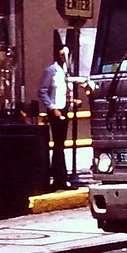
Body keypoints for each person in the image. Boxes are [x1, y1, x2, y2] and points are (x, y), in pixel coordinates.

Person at [38, 46, 78, 190]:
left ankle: (61, 177)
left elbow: (66, 91)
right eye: (61, 55)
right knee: (58, 145)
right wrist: (52, 108)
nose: (63, 58)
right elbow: (42, 91)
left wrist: (73, 101)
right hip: (56, 111)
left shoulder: (66, 72)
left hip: (65, 109)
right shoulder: (51, 71)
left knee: (61, 145)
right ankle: (59, 177)